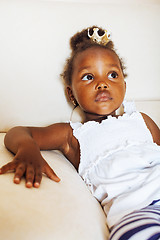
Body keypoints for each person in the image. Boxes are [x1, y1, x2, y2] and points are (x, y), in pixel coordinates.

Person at [0, 26, 160, 239]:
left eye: (112, 75)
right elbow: (19, 132)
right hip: (136, 211)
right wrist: (28, 149)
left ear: (124, 85)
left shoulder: (141, 120)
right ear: (71, 94)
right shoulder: (73, 135)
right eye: (88, 77)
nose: (102, 84)